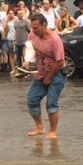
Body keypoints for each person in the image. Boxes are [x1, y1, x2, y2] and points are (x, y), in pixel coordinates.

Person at [25, 11, 66, 139]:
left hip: (56, 73)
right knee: (32, 99)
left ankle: (52, 131)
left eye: (36, 27)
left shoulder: (55, 40)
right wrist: (25, 64)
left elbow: (60, 62)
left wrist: (49, 77)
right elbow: (30, 49)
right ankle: (39, 127)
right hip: (40, 72)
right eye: (32, 27)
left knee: (51, 104)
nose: (33, 30)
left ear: (44, 25)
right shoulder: (33, 35)